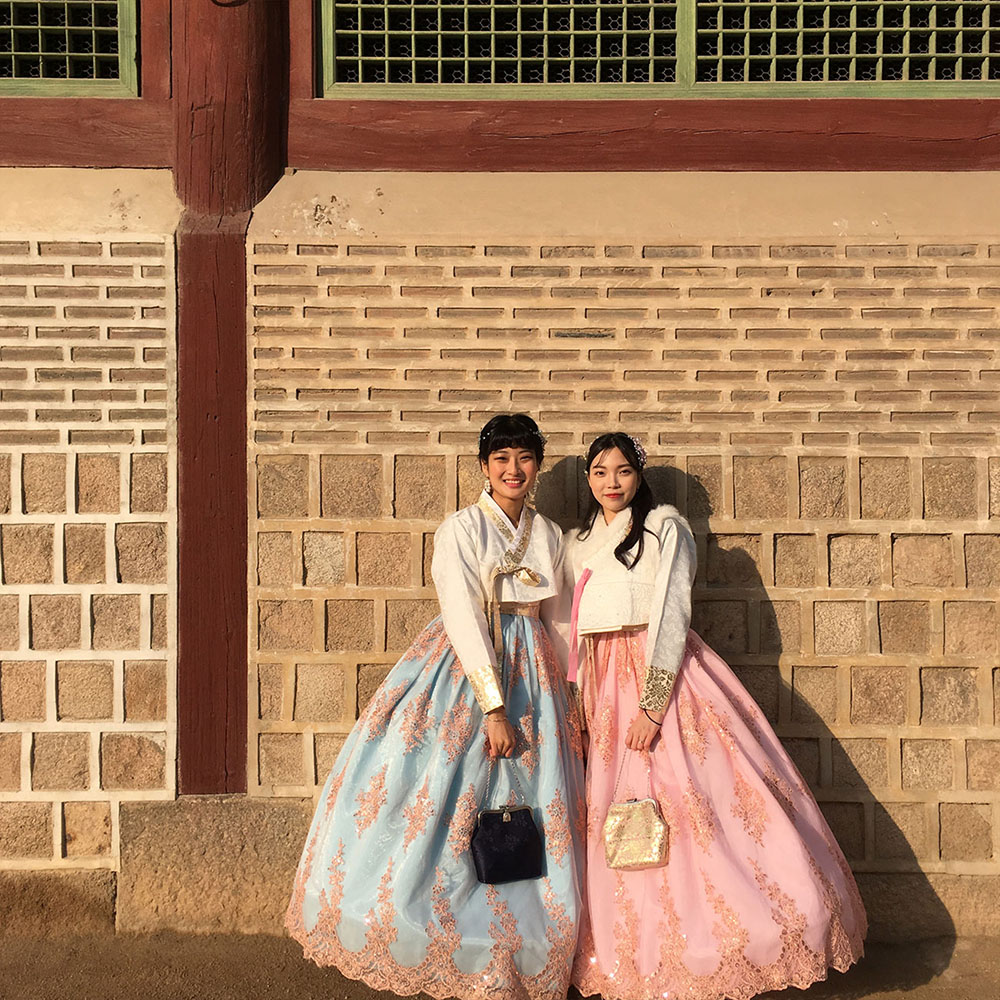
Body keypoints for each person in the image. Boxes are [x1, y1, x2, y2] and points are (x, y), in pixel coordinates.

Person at [285, 413, 586, 1000]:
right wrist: (492, 707)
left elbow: (558, 620)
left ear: (537, 466)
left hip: (535, 671)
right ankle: (436, 920)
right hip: (468, 666)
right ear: (483, 467)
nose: (514, 470)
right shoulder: (461, 528)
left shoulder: (548, 535)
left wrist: (568, 694)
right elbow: (462, 613)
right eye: (501, 459)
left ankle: (529, 931)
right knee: (445, 792)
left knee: (530, 796)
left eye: (524, 458)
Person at [563, 432, 866, 1000]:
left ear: (639, 476)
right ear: (588, 479)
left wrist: (653, 705)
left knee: (692, 802)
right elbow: (569, 621)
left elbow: (673, 610)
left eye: (623, 471)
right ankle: (630, 943)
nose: (611, 483)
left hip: (658, 673)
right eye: (600, 472)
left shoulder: (664, 528)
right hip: (602, 683)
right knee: (617, 806)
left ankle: (720, 939)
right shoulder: (577, 542)